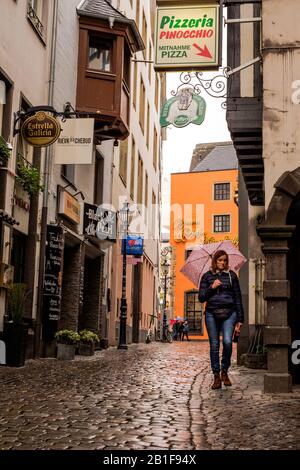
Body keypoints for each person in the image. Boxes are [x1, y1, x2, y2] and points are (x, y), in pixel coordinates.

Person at [199, 250, 244, 389]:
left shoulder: (232, 276)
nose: (222, 263)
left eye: (225, 260)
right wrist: (212, 288)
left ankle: (225, 370)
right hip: (211, 314)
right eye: (219, 260)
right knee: (214, 345)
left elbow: (238, 297)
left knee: (227, 342)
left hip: (230, 313)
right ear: (215, 261)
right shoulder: (207, 277)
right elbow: (201, 297)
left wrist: (240, 319)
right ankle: (216, 376)